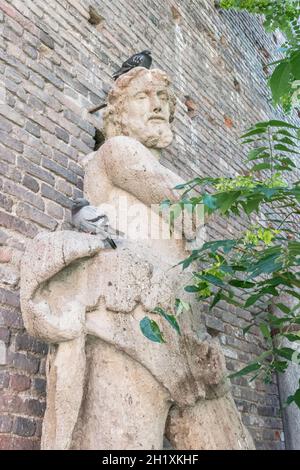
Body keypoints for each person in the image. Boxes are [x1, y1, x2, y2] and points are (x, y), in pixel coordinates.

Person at [20, 67, 254, 450]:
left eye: (163, 100)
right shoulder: (118, 150)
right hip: (128, 314)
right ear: (117, 114)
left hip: (180, 320)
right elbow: (192, 210)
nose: (157, 106)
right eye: (144, 98)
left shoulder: (159, 168)